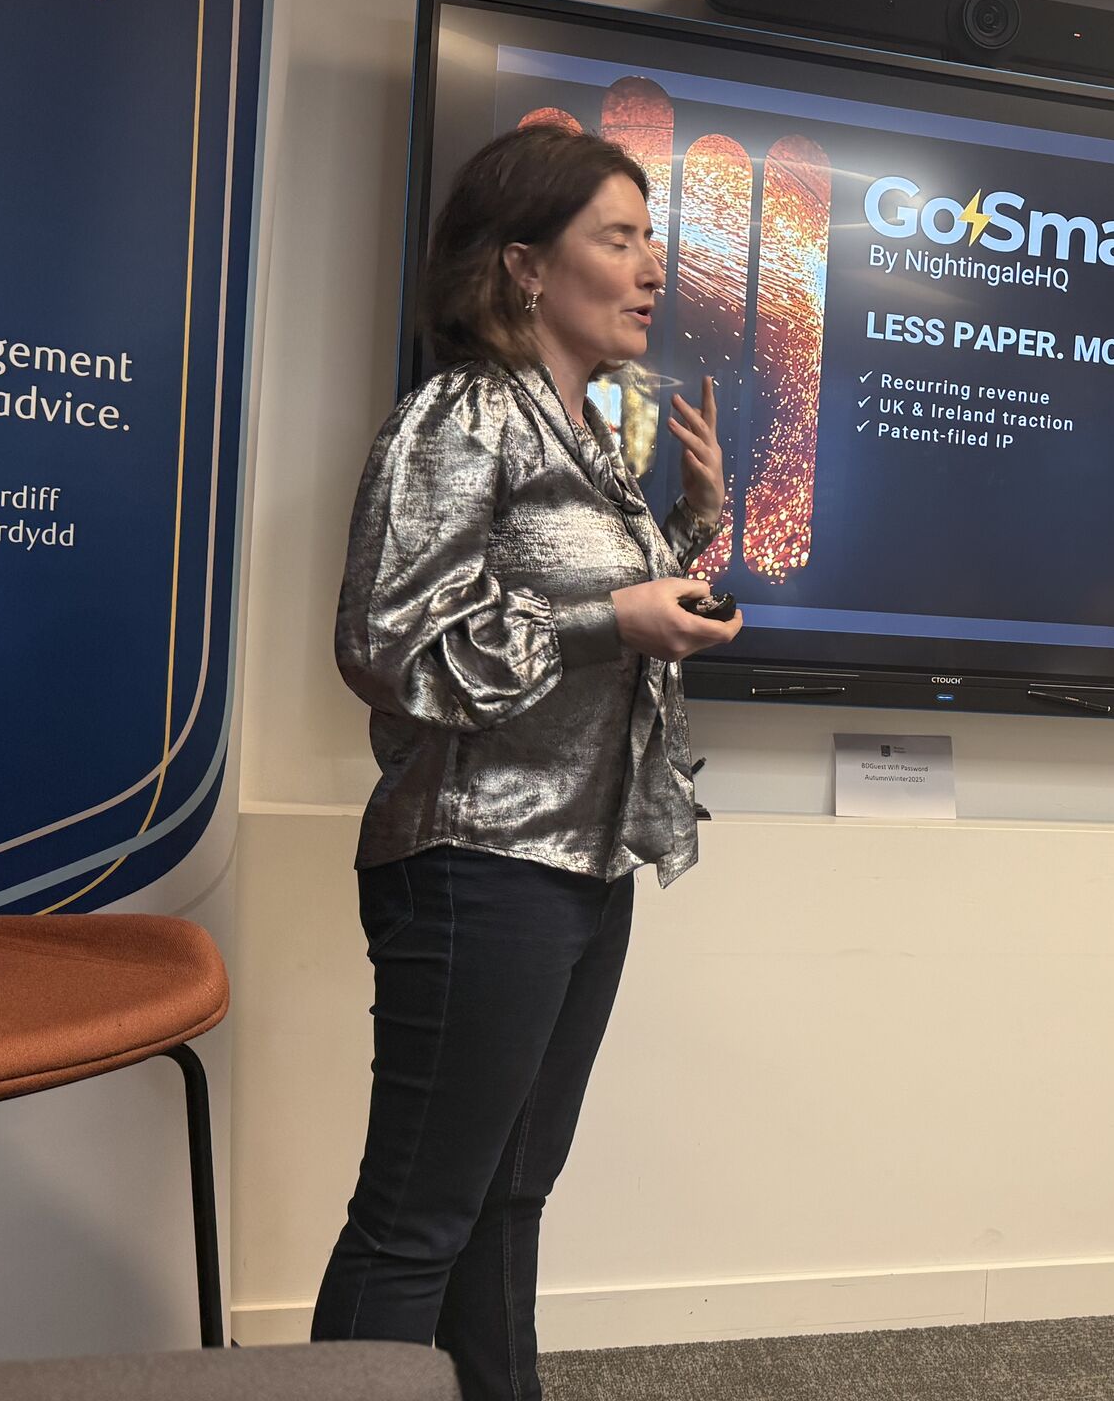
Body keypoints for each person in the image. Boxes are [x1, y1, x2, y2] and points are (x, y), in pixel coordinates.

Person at [312, 124, 739, 1401]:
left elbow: (574, 609)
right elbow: (387, 644)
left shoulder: (587, 432)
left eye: (650, 237)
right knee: (415, 1224)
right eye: (617, 238)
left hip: (577, 865)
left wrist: (689, 532)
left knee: (506, 1203)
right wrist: (617, 620)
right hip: (473, 862)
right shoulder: (457, 415)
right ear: (522, 269)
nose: (651, 265)